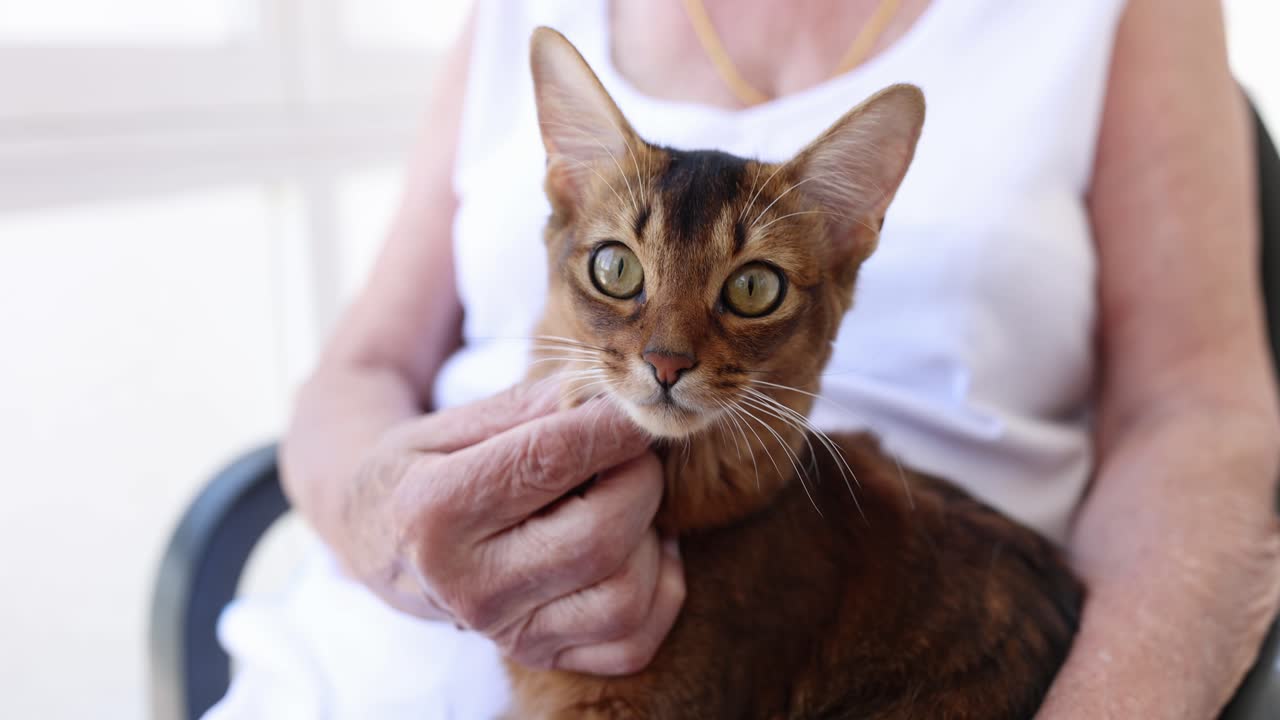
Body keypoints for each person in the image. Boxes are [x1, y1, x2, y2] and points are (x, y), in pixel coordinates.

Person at [206, 1, 1280, 717]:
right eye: (623, 278)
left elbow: (1193, 416)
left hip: (865, 619)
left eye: (749, 290)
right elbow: (360, 367)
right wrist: (376, 519)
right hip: (348, 662)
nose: (669, 351)